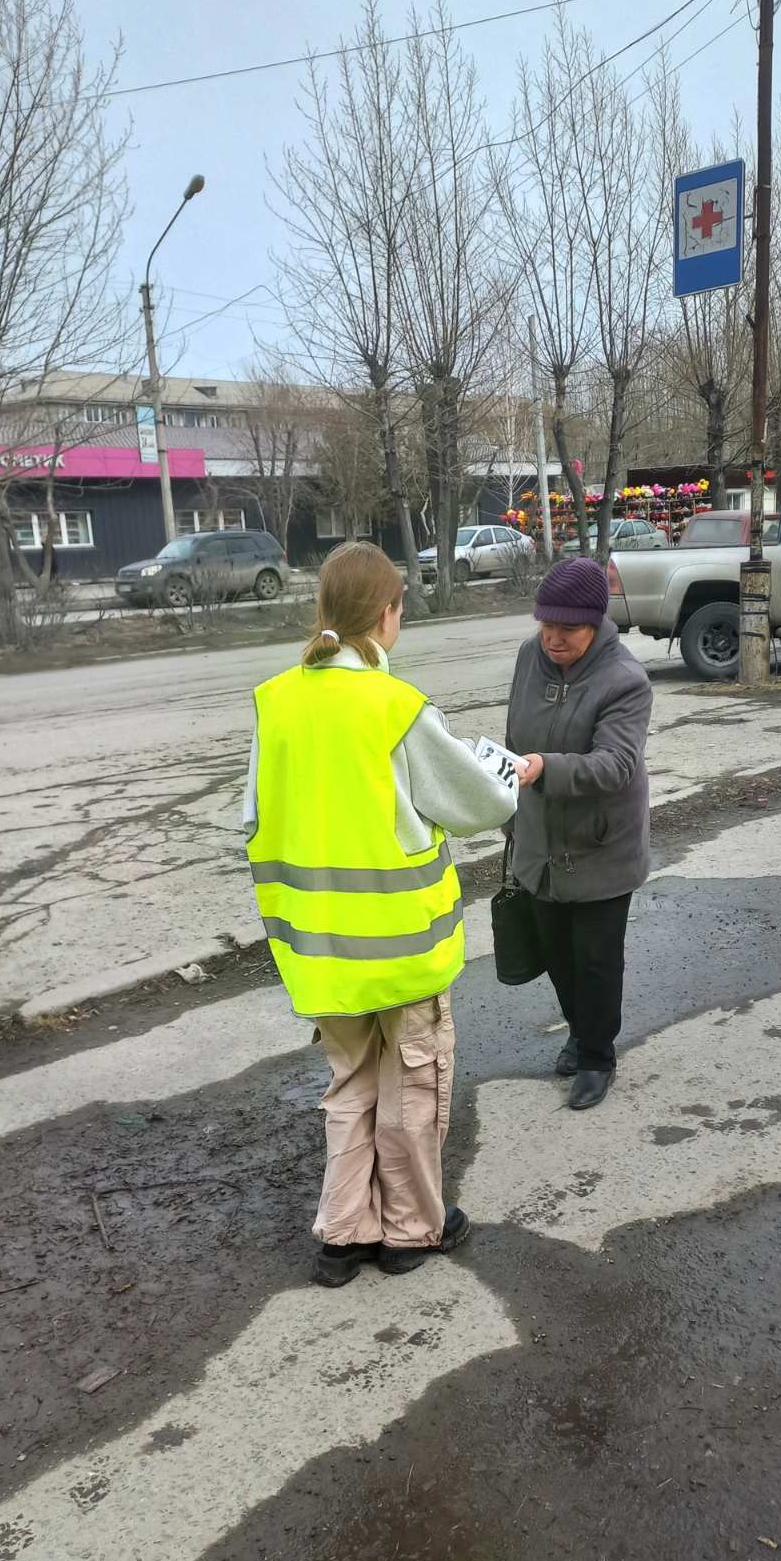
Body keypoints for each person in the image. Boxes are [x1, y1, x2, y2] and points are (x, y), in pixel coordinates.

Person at [244, 541, 517, 1287]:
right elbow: (478, 803)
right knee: (413, 1090)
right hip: (400, 951)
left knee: (349, 1088)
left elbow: (254, 817)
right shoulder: (394, 708)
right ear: (387, 614)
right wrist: (507, 771)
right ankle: (411, 1230)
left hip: (318, 955)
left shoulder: (276, 703)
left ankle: (342, 1236)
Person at [504, 556, 653, 1111]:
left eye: (568, 628)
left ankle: (597, 1056)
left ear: (595, 623)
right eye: (546, 625)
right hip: (540, 837)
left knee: (594, 959)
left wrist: (545, 767)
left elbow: (616, 765)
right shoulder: (529, 657)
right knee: (555, 952)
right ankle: (577, 1030)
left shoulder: (625, 680)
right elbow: (513, 735)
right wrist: (507, 807)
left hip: (601, 844)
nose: (553, 638)